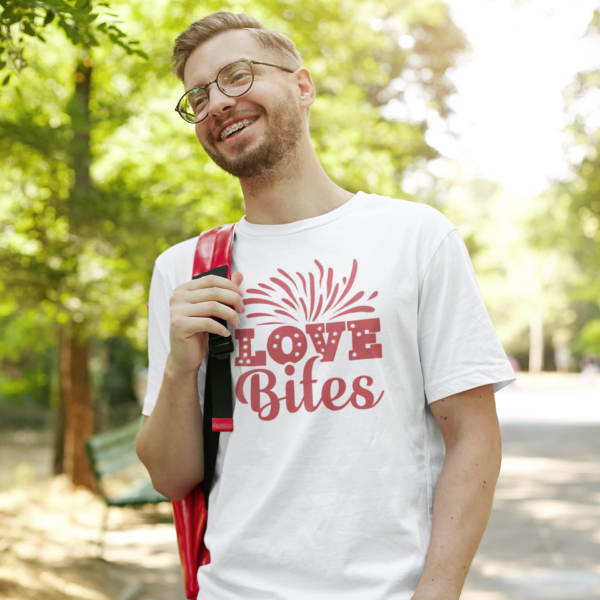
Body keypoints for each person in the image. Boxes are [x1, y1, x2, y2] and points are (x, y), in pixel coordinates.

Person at [135, 12, 516, 600]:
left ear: (303, 86)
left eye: (237, 76)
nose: (217, 103)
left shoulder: (415, 237)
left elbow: (472, 436)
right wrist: (180, 368)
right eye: (198, 95)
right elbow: (169, 476)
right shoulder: (184, 271)